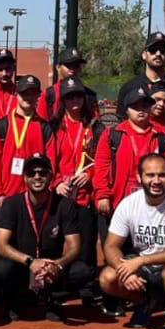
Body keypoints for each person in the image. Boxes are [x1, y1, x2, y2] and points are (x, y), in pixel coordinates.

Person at [98, 153, 165, 329]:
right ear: (139, 177)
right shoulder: (128, 203)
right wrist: (123, 270)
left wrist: (140, 261)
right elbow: (111, 245)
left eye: (162, 175)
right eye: (150, 175)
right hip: (144, 268)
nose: (156, 181)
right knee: (108, 278)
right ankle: (144, 303)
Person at [0, 154, 89, 322]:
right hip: (22, 266)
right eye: (31, 173)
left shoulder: (65, 205)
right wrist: (30, 262)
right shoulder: (11, 204)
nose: (37, 177)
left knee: (81, 271)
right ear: (25, 178)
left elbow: (74, 246)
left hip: (51, 268)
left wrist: (57, 265)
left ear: (51, 176)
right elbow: (0, 245)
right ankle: (14, 299)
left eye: (42, 173)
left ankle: (54, 300)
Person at [92, 87, 165, 219]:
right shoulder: (112, 134)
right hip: (117, 203)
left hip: (153, 205)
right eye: (136, 107)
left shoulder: (161, 136)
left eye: (145, 106)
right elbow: (102, 167)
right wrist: (102, 195)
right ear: (127, 110)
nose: (141, 110)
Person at [51, 76, 104, 274]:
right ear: (62, 100)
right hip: (60, 195)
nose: (75, 102)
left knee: (86, 246)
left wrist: (90, 174)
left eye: (78, 97)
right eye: (69, 97)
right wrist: (56, 182)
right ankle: (56, 287)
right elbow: (48, 160)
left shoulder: (95, 127)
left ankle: (86, 288)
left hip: (84, 196)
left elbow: (103, 159)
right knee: (55, 244)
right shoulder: (54, 126)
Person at [0, 75, 54, 210]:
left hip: (36, 197)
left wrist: (48, 189)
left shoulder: (44, 127)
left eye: (33, 94)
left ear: (38, 96)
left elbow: (51, 162)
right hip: (7, 196)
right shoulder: (2, 125)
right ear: (16, 94)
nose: (28, 98)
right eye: (24, 94)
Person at [116, 32, 165, 131]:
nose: (158, 54)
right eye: (153, 50)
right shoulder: (129, 88)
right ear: (144, 55)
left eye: (162, 51)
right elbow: (121, 123)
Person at [38, 47, 99, 123]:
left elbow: (95, 125)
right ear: (58, 67)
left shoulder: (90, 95)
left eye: (76, 65)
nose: (73, 69)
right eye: (69, 65)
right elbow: (41, 124)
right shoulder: (49, 94)